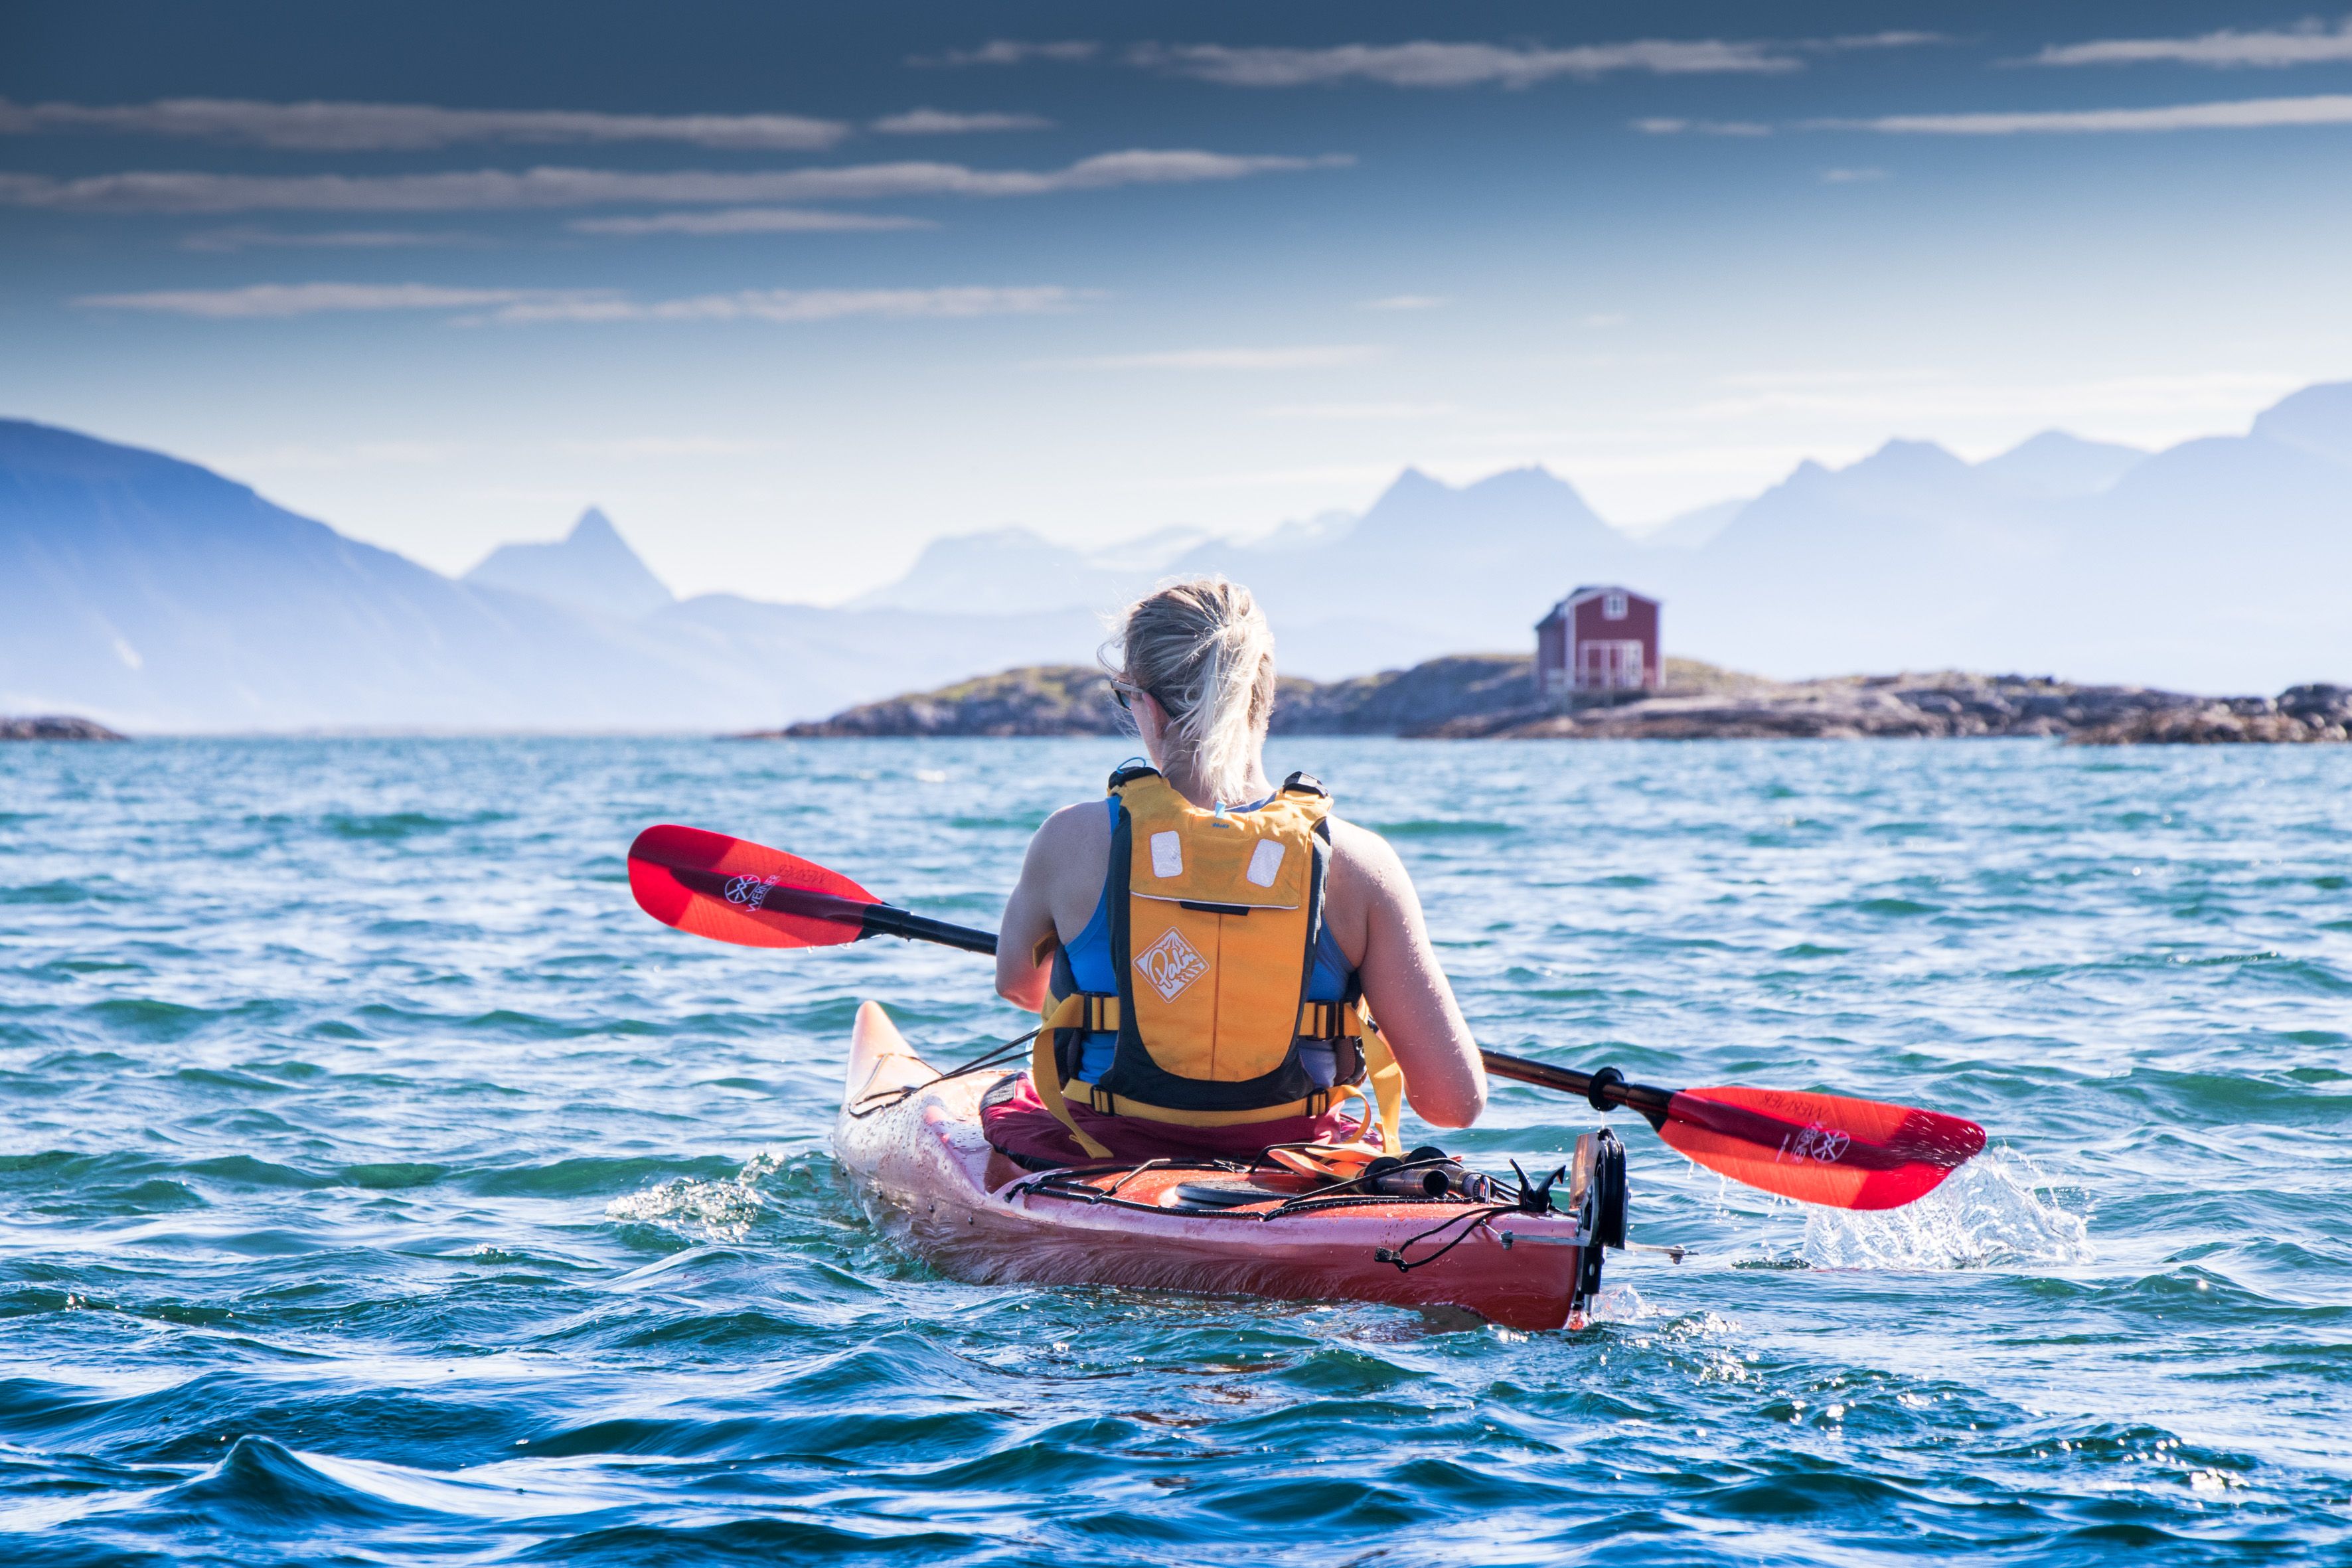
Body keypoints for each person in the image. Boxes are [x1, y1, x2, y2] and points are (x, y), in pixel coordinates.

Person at [988, 576, 1485, 1167]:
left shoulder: (1069, 840)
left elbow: (1020, 986)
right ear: (1263, 693)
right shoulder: (1360, 862)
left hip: (1105, 1152)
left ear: (1144, 703)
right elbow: (1454, 1104)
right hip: (1294, 1159)